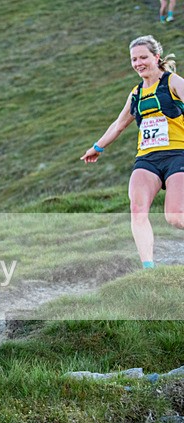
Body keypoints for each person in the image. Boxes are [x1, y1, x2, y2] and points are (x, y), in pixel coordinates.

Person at [81, 35, 184, 269]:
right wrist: (97, 147)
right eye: (134, 59)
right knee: (137, 210)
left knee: (175, 217)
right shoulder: (136, 93)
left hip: (178, 154)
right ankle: (149, 269)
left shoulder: (173, 82)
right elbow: (118, 125)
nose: (138, 63)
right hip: (147, 158)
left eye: (143, 57)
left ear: (156, 57)